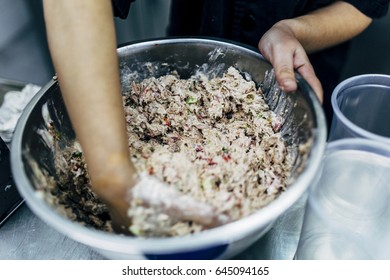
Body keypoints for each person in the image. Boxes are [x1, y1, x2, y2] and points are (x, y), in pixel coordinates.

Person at [42, 0, 389, 233]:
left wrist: (296, 30)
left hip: (295, 72)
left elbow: (362, 5)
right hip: (188, 57)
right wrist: (111, 174)